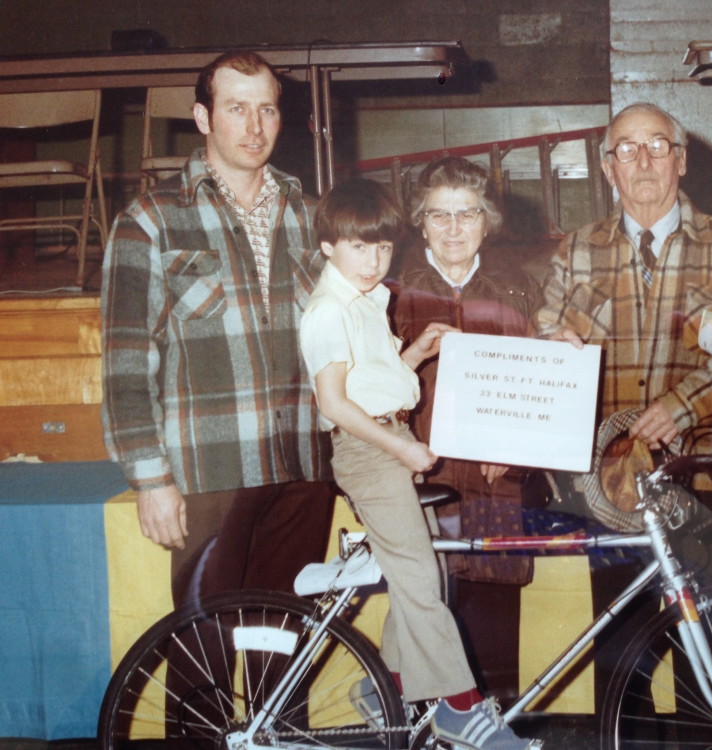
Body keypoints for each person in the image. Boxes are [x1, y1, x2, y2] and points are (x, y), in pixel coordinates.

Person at [534, 102, 712, 693]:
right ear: (606, 168)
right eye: (625, 148)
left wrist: (681, 407)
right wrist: (550, 347)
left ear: (682, 160)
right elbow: (542, 337)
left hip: (706, 478)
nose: (642, 160)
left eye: (657, 146)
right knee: (622, 664)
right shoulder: (575, 251)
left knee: (706, 659)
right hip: (613, 487)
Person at [300, 178, 541, 750]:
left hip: (390, 438)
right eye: (359, 247)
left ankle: (389, 684)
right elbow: (334, 403)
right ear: (328, 247)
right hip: (373, 449)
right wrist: (403, 448)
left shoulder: (364, 300)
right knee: (420, 581)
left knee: (418, 572)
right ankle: (458, 709)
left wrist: (416, 352)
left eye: (383, 248)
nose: (373, 260)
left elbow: (374, 383)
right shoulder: (329, 311)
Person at [101, 50, 335, 609]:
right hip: (211, 469)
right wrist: (151, 480)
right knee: (201, 647)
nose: (255, 128)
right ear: (203, 118)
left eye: (268, 111)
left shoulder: (315, 216)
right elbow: (125, 364)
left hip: (303, 466)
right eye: (236, 108)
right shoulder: (149, 220)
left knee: (285, 646)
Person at [392, 155, 543, 703]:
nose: (453, 227)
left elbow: (541, 387)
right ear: (420, 220)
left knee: (494, 625)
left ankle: (496, 726)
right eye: (439, 214)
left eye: (467, 213)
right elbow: (362, 386)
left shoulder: (520, 289)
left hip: (494, 480)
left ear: (487, 220)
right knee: (424, 615)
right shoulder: (392, 289)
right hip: (418, 478)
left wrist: (518, 448)